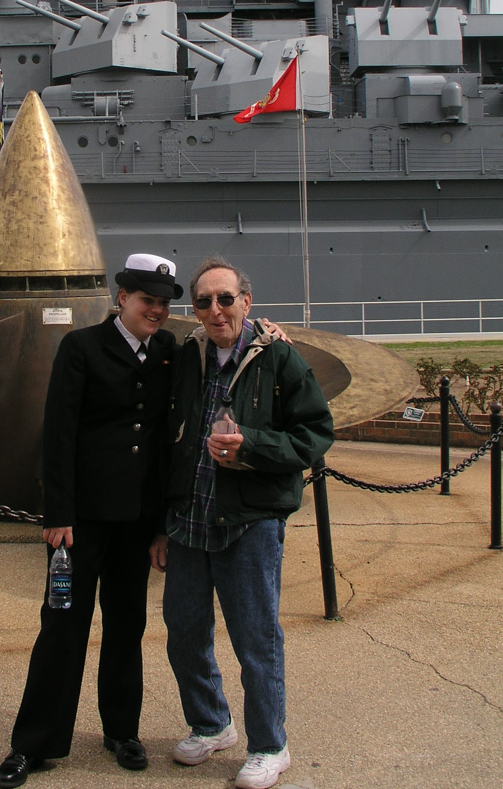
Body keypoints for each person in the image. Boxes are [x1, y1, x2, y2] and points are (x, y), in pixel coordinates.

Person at [0, 254, 183, 788]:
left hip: (137, 522)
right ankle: (34, 743)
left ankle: (122, 730)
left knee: (127, 628)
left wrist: (161, 526)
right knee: (62, 628)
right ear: (121, 298)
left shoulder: (168, 351)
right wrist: (58, 514)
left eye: (165, 304)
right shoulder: (80, 349)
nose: (157, 312)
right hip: (80, 525)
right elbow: (58, 435)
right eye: (148, 301)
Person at [151, 255, 333, 789]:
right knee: (184, 632)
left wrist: (250, 447)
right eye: (203, 301)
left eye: (225, 298)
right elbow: (170, 442)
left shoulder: (279, 358)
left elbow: (315, 434)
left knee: (255, 638)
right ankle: (211, 724)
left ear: (246, 302)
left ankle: (269, 745)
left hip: (248, 524)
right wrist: (162, 523)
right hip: (189, 522)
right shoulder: (189, 356)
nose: (215, 309)